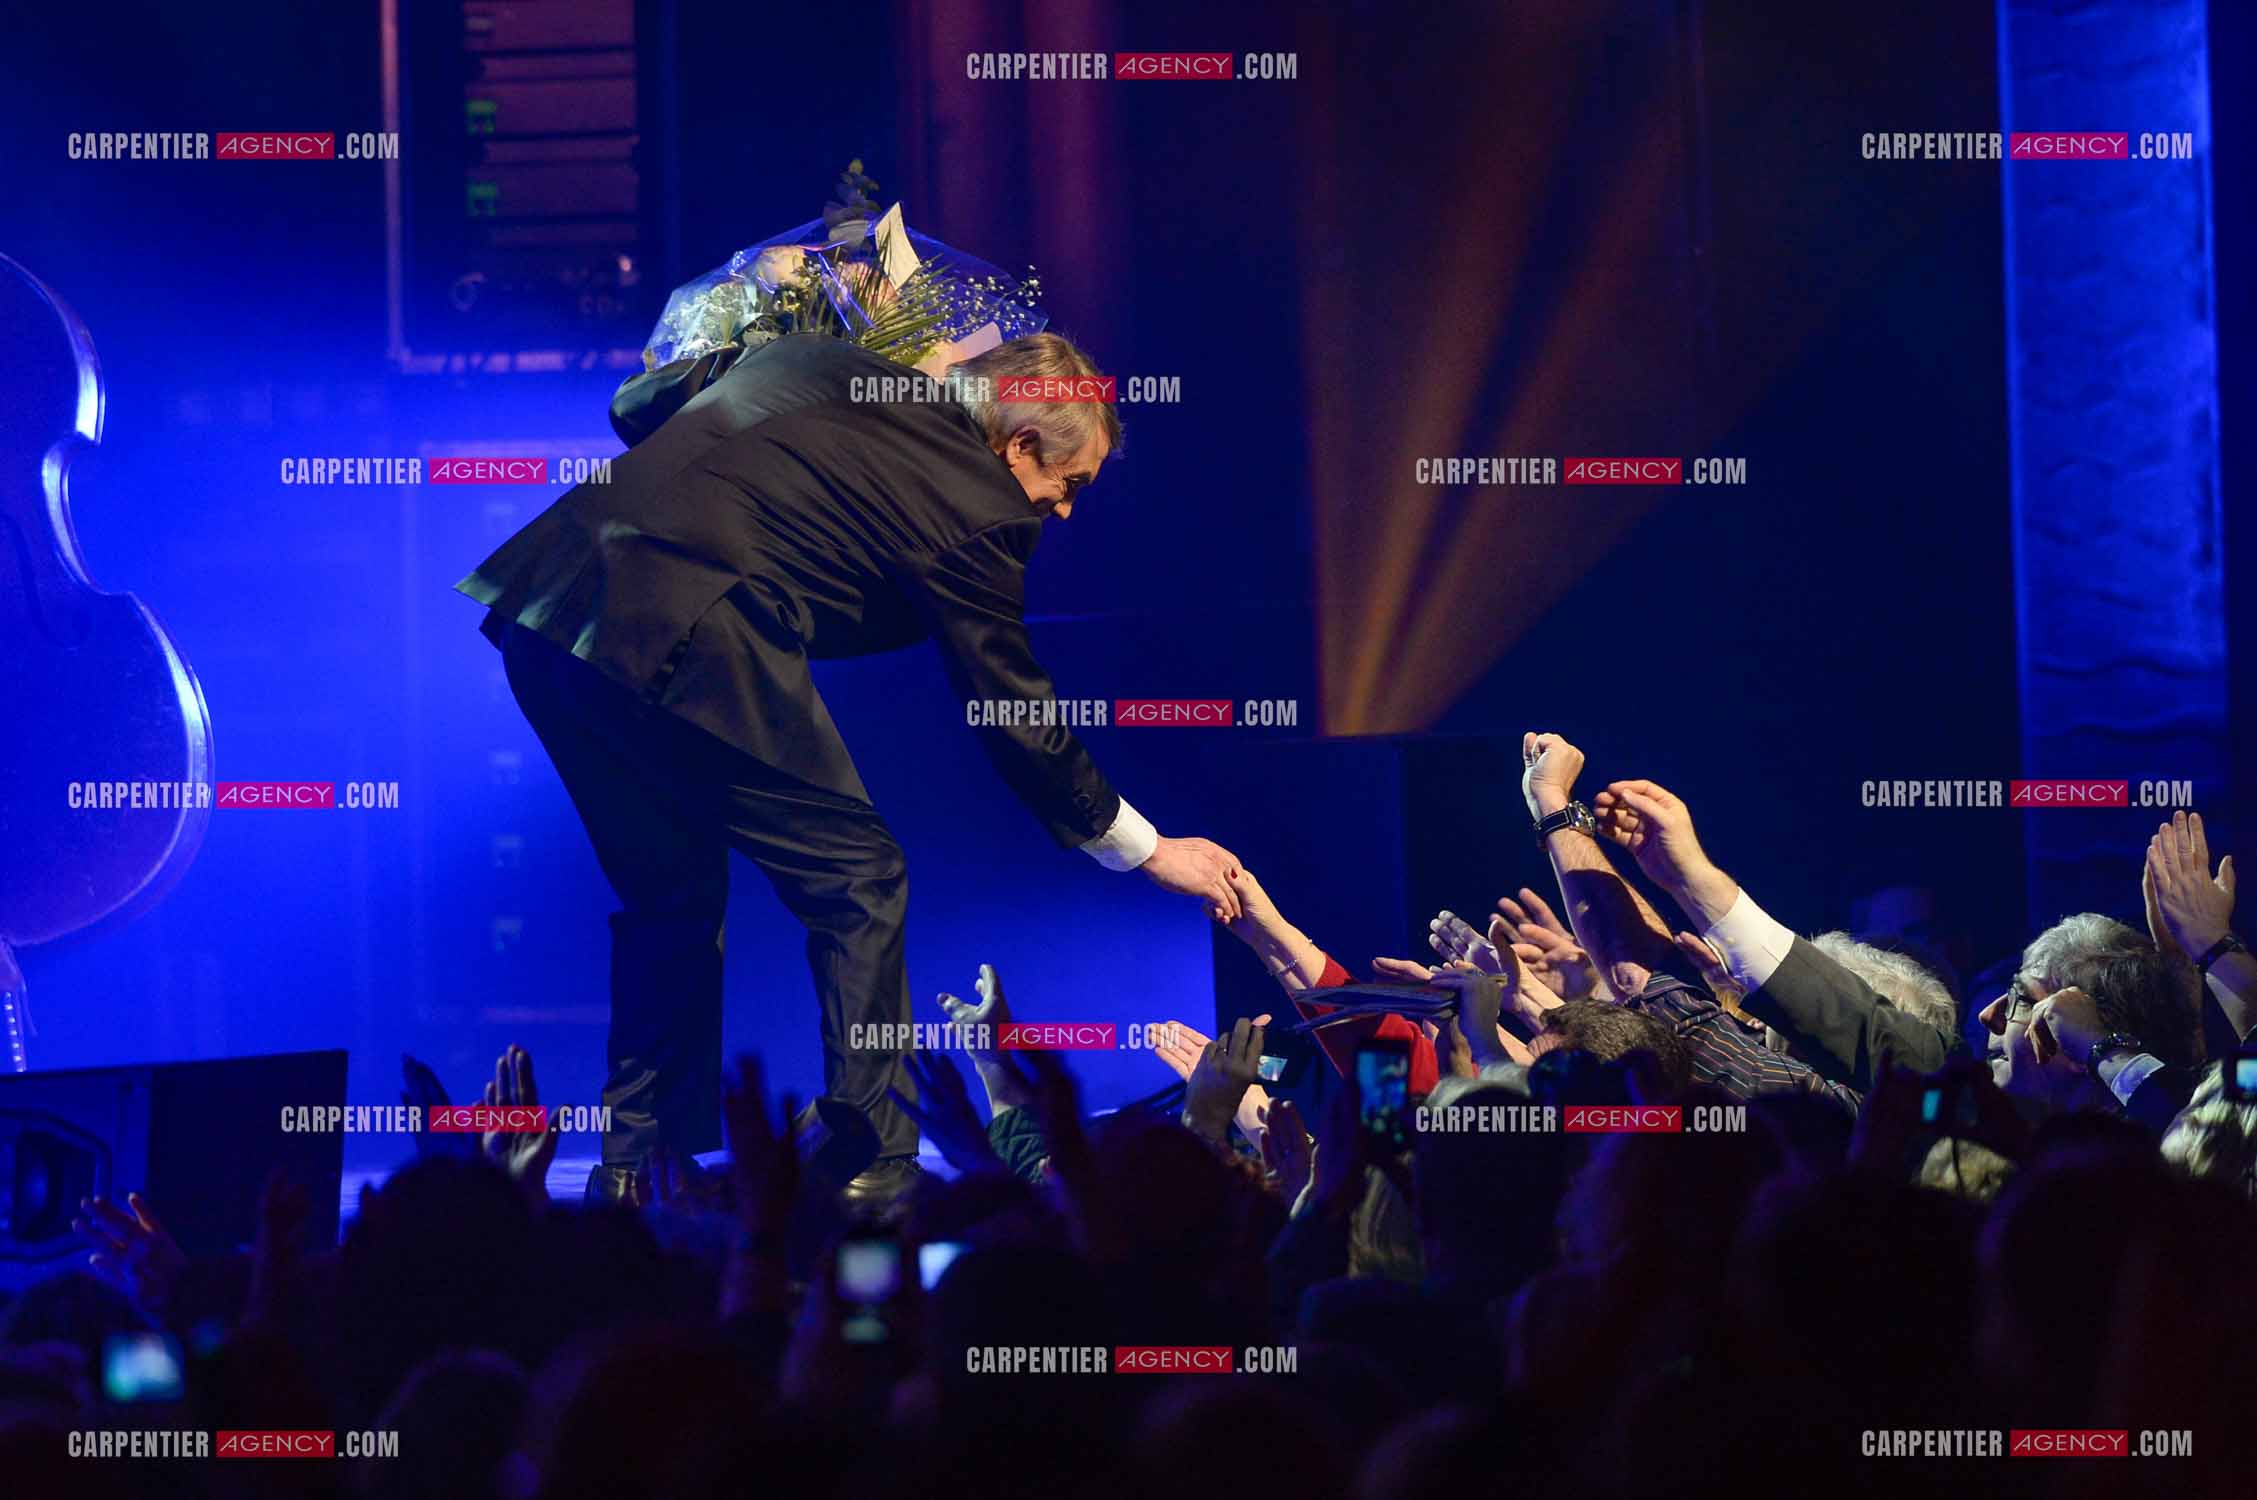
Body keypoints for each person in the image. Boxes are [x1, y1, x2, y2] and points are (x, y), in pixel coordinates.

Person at [455, 331, 1242, 1205]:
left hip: (547, 606)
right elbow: (1011, 708)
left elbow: (634, 406)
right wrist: (1144, 846)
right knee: (861, 879)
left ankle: (639, 1169)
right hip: (691, 626)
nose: (1061, 512)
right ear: (1018, 446)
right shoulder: (980, 500)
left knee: (670, 900)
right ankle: (873, 1161)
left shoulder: (810, 357)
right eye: (1070, 485)